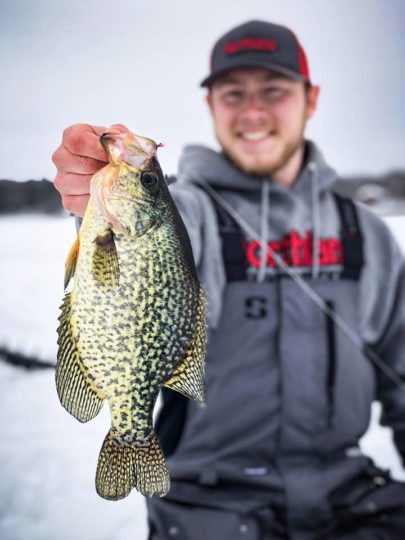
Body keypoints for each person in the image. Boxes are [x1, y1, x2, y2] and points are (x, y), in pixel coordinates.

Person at [53, 20, 405, 540]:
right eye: (233, 93)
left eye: (275, 91)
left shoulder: (367, 234)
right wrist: (88, 193)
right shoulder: (187, 213)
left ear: (311, 100)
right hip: (208, 508)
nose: (253, 111)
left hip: (351, 501)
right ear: (212, 105)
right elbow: (135, 239)